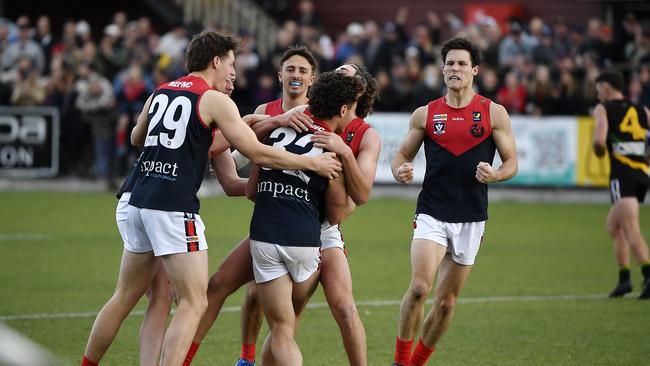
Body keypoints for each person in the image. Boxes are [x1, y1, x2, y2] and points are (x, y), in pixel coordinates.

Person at [79, 31, 341, 366]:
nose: (233, 71)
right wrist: (311, 162)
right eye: (231, 63)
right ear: (216, 61)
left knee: (128, 296)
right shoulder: (215, 100)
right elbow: (256, 151)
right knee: (194, 302)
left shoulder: (161, 90)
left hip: (136, 199)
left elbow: (136, 137)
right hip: (172, 207)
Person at [182, 45, 319, 366]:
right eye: (290, 69)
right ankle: (224, 360)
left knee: (293, 313)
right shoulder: (264, 111)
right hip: (268, 225)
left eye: (302, 70)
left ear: (312, 79)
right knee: (217, 285)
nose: (295, 75)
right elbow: (240, 163)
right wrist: (222, 158)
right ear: (280, 74)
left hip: (312, 229)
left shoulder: (320, 116)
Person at [390, 37, 517, 366]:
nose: (454, 68)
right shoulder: (426, 113)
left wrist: (497, 174)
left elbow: (511, 162)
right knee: (419, 288)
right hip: (432, 211)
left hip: (472, 217)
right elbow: (402, 155)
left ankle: (416, 363)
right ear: (442, 69)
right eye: (449, 63)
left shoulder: (493, 113)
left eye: (461, 63)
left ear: (475, 70)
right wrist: (399, 169)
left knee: (446, 304)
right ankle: (400, 362)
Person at [246, 71, 361, 366]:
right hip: (304, 242)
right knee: (287, 325)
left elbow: (251, 191)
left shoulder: (279, 128)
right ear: (344, 109)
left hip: (264, 235)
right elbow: (335, 214)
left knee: (281, 330)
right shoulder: (331, 148)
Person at [592, 69, 650, 299]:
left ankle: (647, 274)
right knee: (614, 226)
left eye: (598, 89)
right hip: (642, 175)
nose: (597, 95)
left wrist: (599, 150)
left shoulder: (603, 108)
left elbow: (599, 140)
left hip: (622, 174)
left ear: (606, 87)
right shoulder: (642, 109)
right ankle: (624, 279)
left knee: (630, 227)